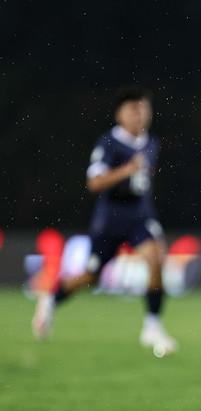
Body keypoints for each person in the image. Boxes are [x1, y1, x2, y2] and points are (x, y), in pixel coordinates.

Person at [32, 86, 177, 357]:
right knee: (91, 277)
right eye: (134, 110)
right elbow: (95, 182)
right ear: (120, 114)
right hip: (110, 221)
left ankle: (152, 326)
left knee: (156, 258)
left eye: (144, 109)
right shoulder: (108, 143)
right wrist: (126, 170)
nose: (140, 115)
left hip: (140, 217)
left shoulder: (151, 142)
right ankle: (50, 299)